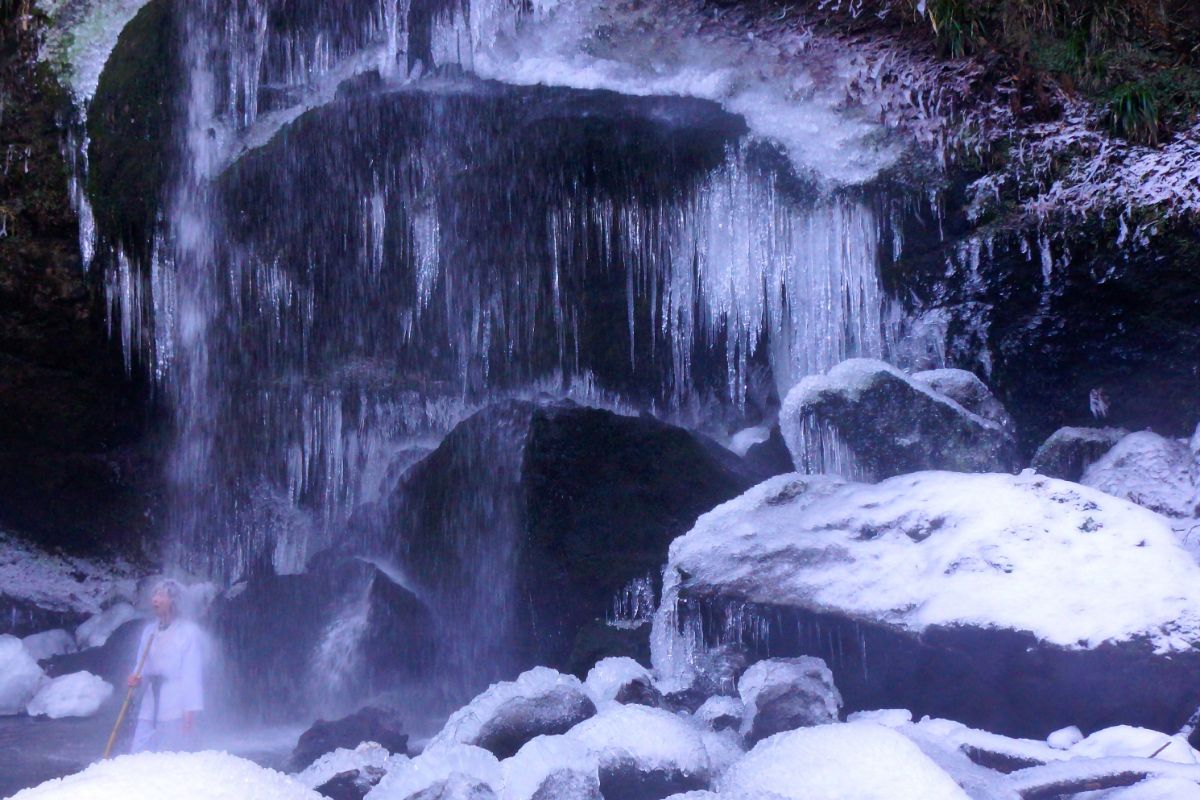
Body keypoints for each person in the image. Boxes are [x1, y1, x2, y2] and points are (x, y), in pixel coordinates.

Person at [126, 579, 205, 753]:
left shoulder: (188, 632)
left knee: (172, 751)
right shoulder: (149, 631)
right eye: (154, 594)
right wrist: (135, 678)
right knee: (139, 748)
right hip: (151, 698)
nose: (155, 599)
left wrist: (190, 711)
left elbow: (192, 675)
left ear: (174, 601)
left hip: (175, 699)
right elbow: (141, 665)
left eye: (161, 595)